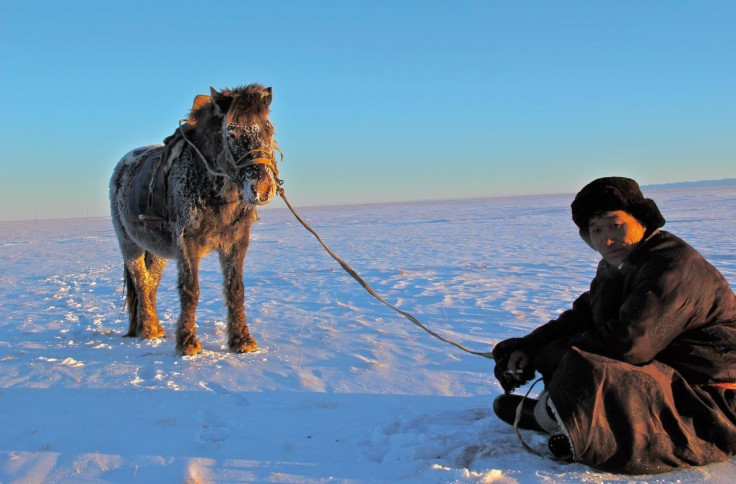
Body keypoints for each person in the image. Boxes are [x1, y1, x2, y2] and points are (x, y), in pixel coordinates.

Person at [492, 176, 736, 474]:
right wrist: (527, 346)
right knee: (579, 355)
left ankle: (568, 424)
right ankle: (562, 416)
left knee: (589, 363)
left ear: (642, 220)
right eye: (595, 230)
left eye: (615, 225)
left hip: (711, 398)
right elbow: (584, 315)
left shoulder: (672, 266)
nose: (606, 239)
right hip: (671, 381)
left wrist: (551, 353)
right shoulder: (622, 263)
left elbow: (630, 344)